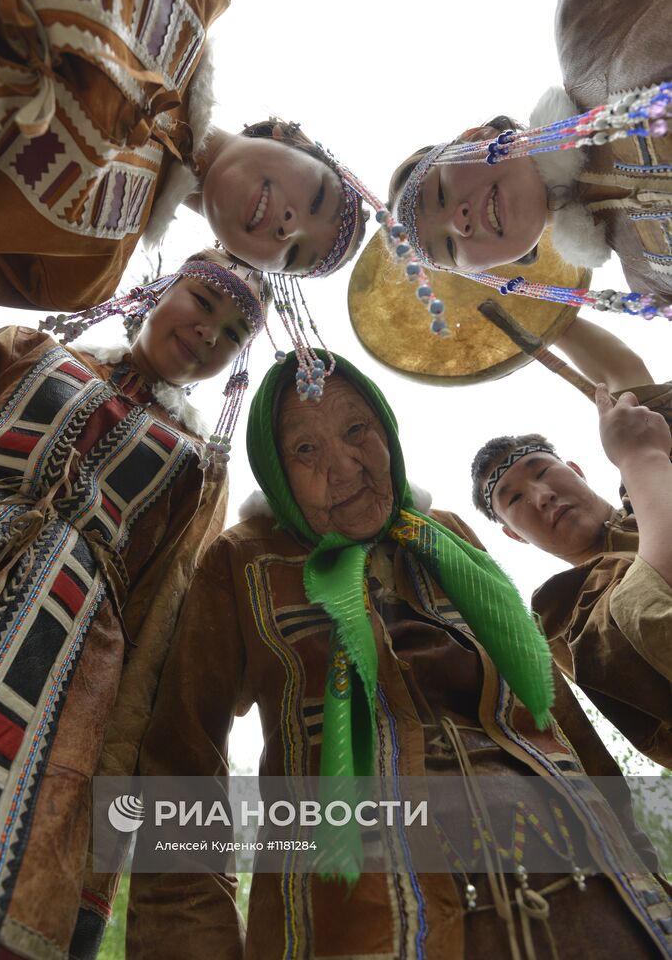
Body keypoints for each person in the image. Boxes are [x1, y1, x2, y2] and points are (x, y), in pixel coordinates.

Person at [128, 350, 670, 960]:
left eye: (357, 429)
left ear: (387, 428)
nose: (344, 466)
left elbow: (553, 714)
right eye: (305, 451)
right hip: (359, 917)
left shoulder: (449, 538)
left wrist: (644, 874)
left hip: (593, 894)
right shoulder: (243, 558)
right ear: (275, 470)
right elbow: (182, 756)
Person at [0, 249, 267, 959]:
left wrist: (119, 753)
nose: (209, 333)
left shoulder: (198, 465)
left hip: (57, 653)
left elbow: (161, 616)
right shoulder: (31, 350)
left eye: (234, 333)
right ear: (157, 290)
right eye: (203, 302)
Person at [0, 0, 365, 310]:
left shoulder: (81, 276)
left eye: (292, 255)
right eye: (316, 199)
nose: (290, 230)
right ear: (290, 137)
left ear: (246, 263)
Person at [386, 0, 672, 312]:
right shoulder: (652, 284)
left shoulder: (588, 21)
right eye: (448, 247)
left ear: (477, 136)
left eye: (441, 193)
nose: (458, 223)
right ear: (486, 270)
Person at [470, 316, 672, 769]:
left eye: (542, 471)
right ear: (511, 535)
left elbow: (628, 379)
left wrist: (542, 306)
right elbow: (653, 618)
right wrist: (640, 457)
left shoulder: (650, 489)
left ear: (577, 470)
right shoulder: (563, 611)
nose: (542, 497)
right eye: (514, 498)